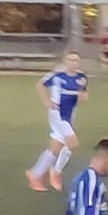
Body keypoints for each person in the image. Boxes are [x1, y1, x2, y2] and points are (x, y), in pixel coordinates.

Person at [25, 52, 88, 192]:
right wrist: (46, 101)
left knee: (55, 147)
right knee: (73, 143)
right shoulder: (56, 75)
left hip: (69, 115)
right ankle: (55, 171)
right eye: (71, 60)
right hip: (58, 114)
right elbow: (40, 85)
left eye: (76, 60)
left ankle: (34, 174)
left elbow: (84, 94)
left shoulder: (81, 78)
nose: (73, 62)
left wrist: (83, 96)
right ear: (65, 61)